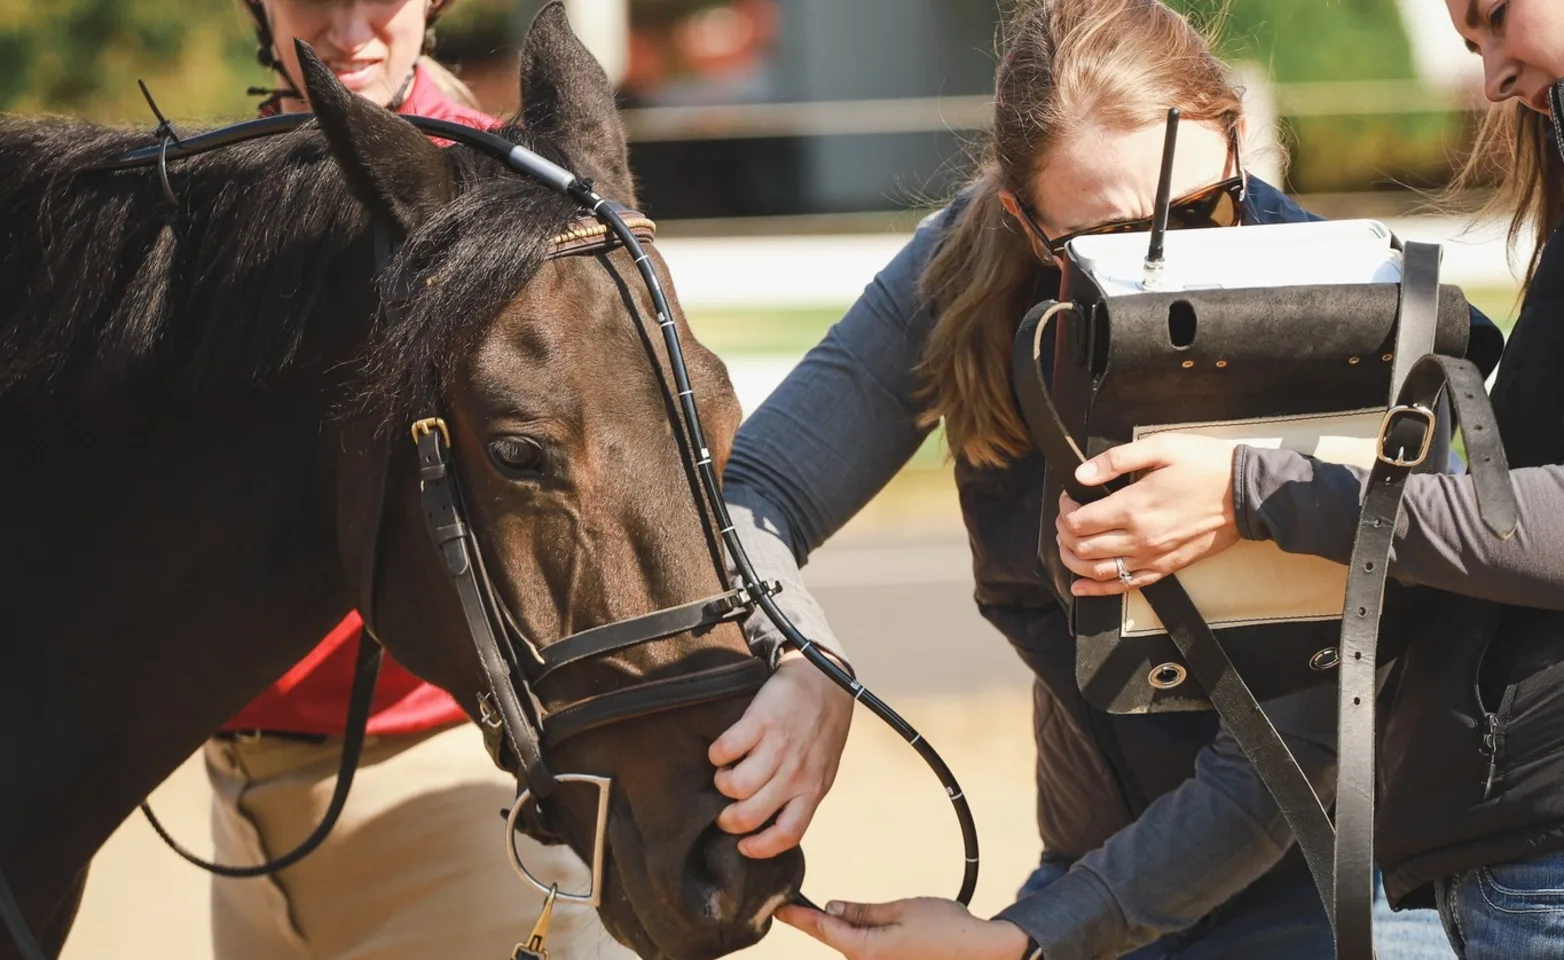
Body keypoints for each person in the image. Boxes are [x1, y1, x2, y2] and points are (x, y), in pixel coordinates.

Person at [708, 1, 1505, 957]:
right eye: (1113, 242)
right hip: (1094, 871)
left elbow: (1302, 749)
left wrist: (1030, 940)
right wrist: (803, 658)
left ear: (1236, 139)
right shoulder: (972, 261)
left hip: (1343, 890)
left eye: (1208, 208)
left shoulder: (1350, 311)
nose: (1176, 265)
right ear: (1021, 218)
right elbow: (762, 483)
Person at [1018, 1, 1564, 956]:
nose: (1491, 79)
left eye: (1494, 16)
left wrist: (1252, 492)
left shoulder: (1357, 303)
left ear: (1237, 140)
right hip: (1469, 844)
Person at [200, 3, 632, 957]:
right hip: (234, 794)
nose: (350, 27)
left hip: (450, 793)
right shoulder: (209, 182)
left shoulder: (509, 198)